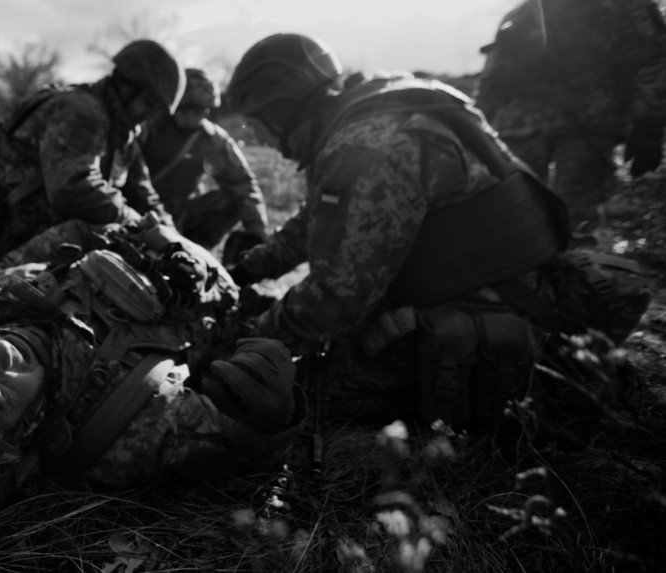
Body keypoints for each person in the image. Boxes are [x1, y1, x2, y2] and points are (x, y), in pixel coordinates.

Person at [222, 33, 650, 431]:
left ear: (284, 107)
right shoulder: (383, 106)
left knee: (313, 386)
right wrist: (246, 270)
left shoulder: (361, 145)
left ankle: (566, 383)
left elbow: (336, 297)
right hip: (515, 287)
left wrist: (250, 339)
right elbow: (316, 222)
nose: (264, 140)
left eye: (259, 124)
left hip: (495, 305)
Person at [0, 215, 303, 527]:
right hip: (221, 297)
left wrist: (104, 226)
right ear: (29, 436)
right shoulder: (127, 429)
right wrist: (275, 410)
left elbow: (44, 245)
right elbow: (247, 445)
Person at [0, 39, 185, 269]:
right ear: (128, 87)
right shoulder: (81, 112)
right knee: (100, 231)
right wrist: (136, 223)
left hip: (29, 225)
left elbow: (144, 194)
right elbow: (72, 188)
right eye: (148, 104)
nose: (148, 116)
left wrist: (173, 239)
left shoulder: (123, 133)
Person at [474, 0, 666, 229]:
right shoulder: (525, 13)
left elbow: (650, 62)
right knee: (512, 214)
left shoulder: (624, 8)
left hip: (585, 130)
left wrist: (649, 123)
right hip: (526, 129)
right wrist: (475, 130)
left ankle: (567, 261)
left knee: (573, 219)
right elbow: (494, 77)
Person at [139, 67, 270, 249]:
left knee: (232, 199)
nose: (192, 118)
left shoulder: (212, 139)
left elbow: (243, 184)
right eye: (185, 110)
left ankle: (194, 251)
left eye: (199, 111)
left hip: (183, 214)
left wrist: (257, 234)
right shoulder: (148, 127)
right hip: (139, 207)